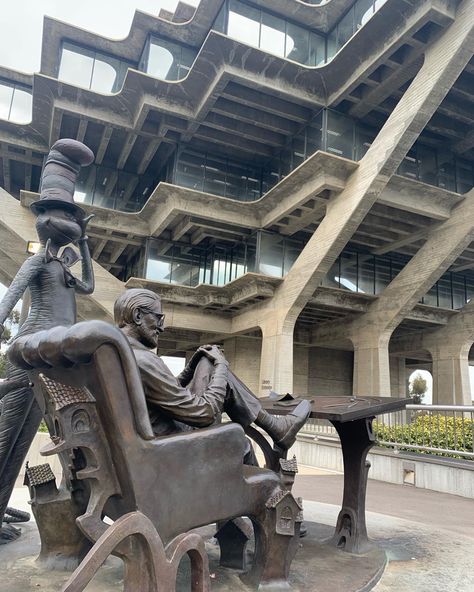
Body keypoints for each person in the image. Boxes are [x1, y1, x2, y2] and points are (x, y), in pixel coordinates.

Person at [114, 289, 311, 455]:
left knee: (207, 362)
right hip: (170, 446)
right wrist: (222, 366)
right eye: (158, 317)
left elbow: (157, 394)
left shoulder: (122, 355)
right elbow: (204, 413)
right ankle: (274, 427)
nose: (162, 327)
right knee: (239, 441)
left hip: (147, 439)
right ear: (138, 315)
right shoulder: (144, 360)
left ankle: (275, 427)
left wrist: (190, 370)